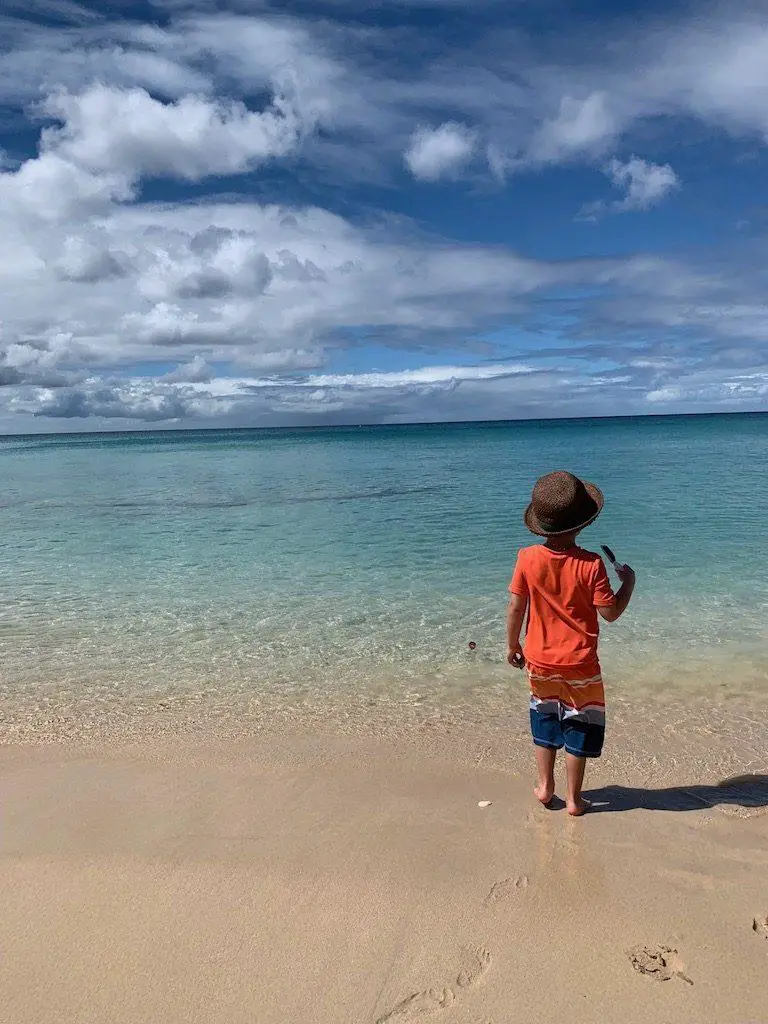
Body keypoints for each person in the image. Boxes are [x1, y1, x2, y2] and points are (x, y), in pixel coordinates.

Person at [506, 471, 635, 816]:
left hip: (539, 660)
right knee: (579, 722)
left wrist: (512, 645)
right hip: (580, 664)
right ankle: (575, 800)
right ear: (581, 524)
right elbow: (610, 613)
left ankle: (545, 787)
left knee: (544, 716)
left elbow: (517, 607)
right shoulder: (592, 564)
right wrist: (629, 584)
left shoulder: (527, 558)